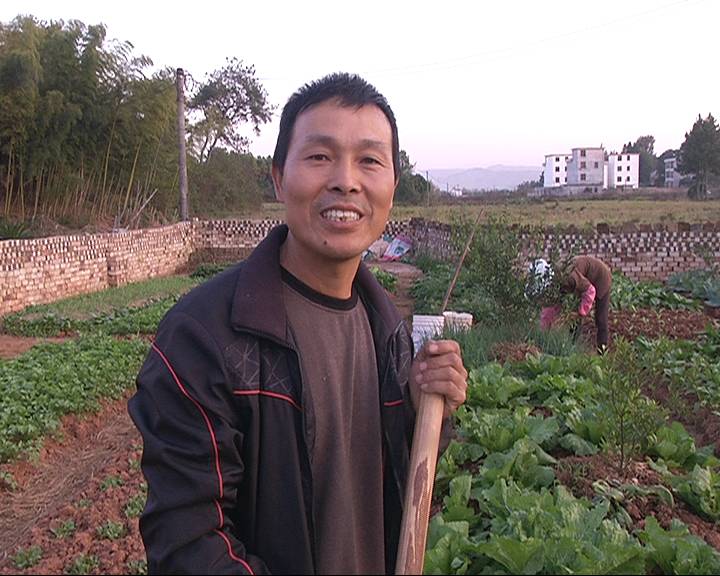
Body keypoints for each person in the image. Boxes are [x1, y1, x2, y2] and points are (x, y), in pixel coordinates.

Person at [128, 72, 468, 575]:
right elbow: (189, 543)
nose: (345, 180)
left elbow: (375, 491)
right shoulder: (205, 339)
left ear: (394, 186)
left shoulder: (387, 332)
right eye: (319, 156)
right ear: (278, 177)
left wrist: (420, 413)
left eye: (370, 160)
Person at [531, 255, 612, 354]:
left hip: (601, 277)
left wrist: (581, 312)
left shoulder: (569, 277)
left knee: (600, 319)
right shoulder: (555, 281)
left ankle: (602, 352)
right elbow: (550, 307)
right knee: (574, 318)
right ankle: (572, 348)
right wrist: (543, 331)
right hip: (582, 279)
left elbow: (590, 291)